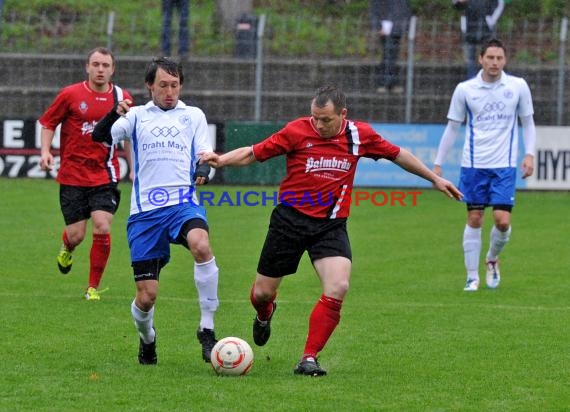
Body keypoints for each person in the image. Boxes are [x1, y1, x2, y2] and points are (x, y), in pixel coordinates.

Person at [200, 85, 462, 376]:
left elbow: (398, 155)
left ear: (343, 115)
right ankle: (265, 314)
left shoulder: (360, 135)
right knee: (262, 293)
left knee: (338, 286)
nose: (319, 125)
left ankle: (309, 357)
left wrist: (434, 179)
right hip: (289, 221)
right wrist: (221, 159)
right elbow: (253, 153)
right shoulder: (297, 131)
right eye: (315, 118)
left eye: (326, 119)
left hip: (330, 226)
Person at [92, 57, 219, 365]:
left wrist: (204, 167)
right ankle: (147, 338)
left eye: (175, 85)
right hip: (145, 213)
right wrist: (113, 113)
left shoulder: (193, 115)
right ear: (150, 85)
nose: (169, 92)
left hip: (182, 203)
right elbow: (100, 136)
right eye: (163, 85)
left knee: (201, 246)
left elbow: (206, 155)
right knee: (147, 297)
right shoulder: (135, 115)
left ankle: (207, 328)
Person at [433, 38, 536, 292]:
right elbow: (452, 128)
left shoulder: (518, 86)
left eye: (499, 58)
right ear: (480, 59)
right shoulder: (465, 89)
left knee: (502, 221)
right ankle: (471, 276)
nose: (495, 62)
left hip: (504, 166)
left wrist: (530, 154)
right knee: (475, 218)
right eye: (490, 57)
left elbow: (528, 123)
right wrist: (437, 164)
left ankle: (491, 259)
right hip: (473, 165)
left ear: (505, 60)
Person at [39, 47, 134, 301]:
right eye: (96, 64)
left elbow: (129, 136)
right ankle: (67, 246)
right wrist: (46, 151)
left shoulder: (122, 97)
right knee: (76, 234)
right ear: (87, 67)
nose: (100, 69)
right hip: (72, 175)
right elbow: (48, 122)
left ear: (113, 69)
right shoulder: (70, 94)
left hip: (105, 174)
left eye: (105, 65)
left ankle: (92, 287)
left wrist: (135, 167)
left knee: (102, 226)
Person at [453, 0, 505, 79]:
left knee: (489, 56)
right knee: (470, 59)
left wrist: (490, 21)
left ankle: (490, 81)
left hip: (486, 29)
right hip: (469, 28)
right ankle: (471, 82)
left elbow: (500, 4)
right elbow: (456, 4)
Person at [370, 0, 412, 94]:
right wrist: (378, 25)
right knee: (389, 55)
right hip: (387, 26)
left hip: (396, 27)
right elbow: (375, 9)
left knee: (390, 55)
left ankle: (387, 82)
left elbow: (405, 10)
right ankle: (386, 82)